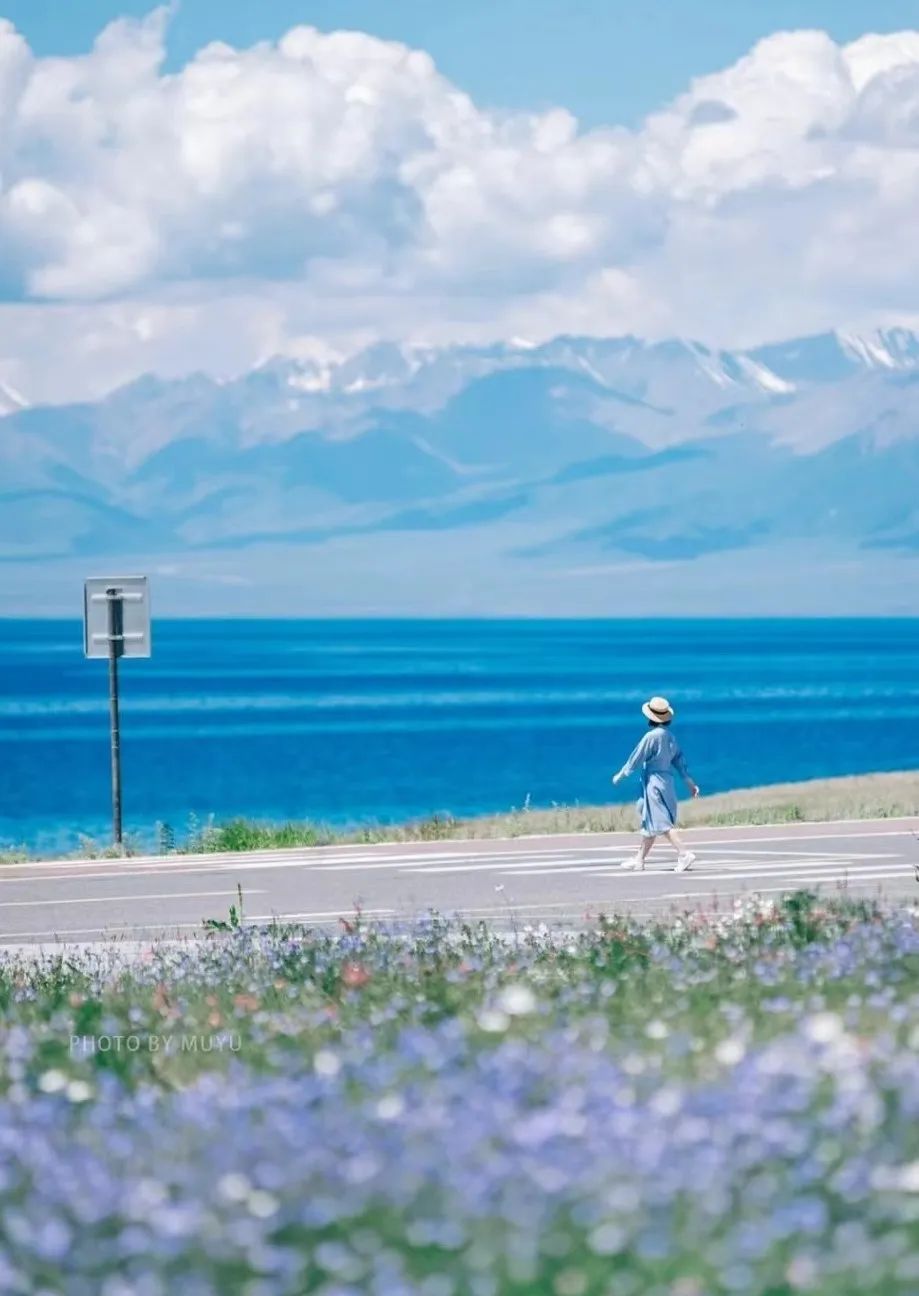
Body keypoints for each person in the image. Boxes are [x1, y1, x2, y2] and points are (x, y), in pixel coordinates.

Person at [611, 696, 700, 872]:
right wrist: (690, 783)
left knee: (661, 823)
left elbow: (636, 758)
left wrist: (621, 775)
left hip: (653, 783)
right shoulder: (670, 737)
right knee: (649, 820)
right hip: (666, 780)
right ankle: (639, 860)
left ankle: (684, 853)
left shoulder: (651, 736)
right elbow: (679, 762)